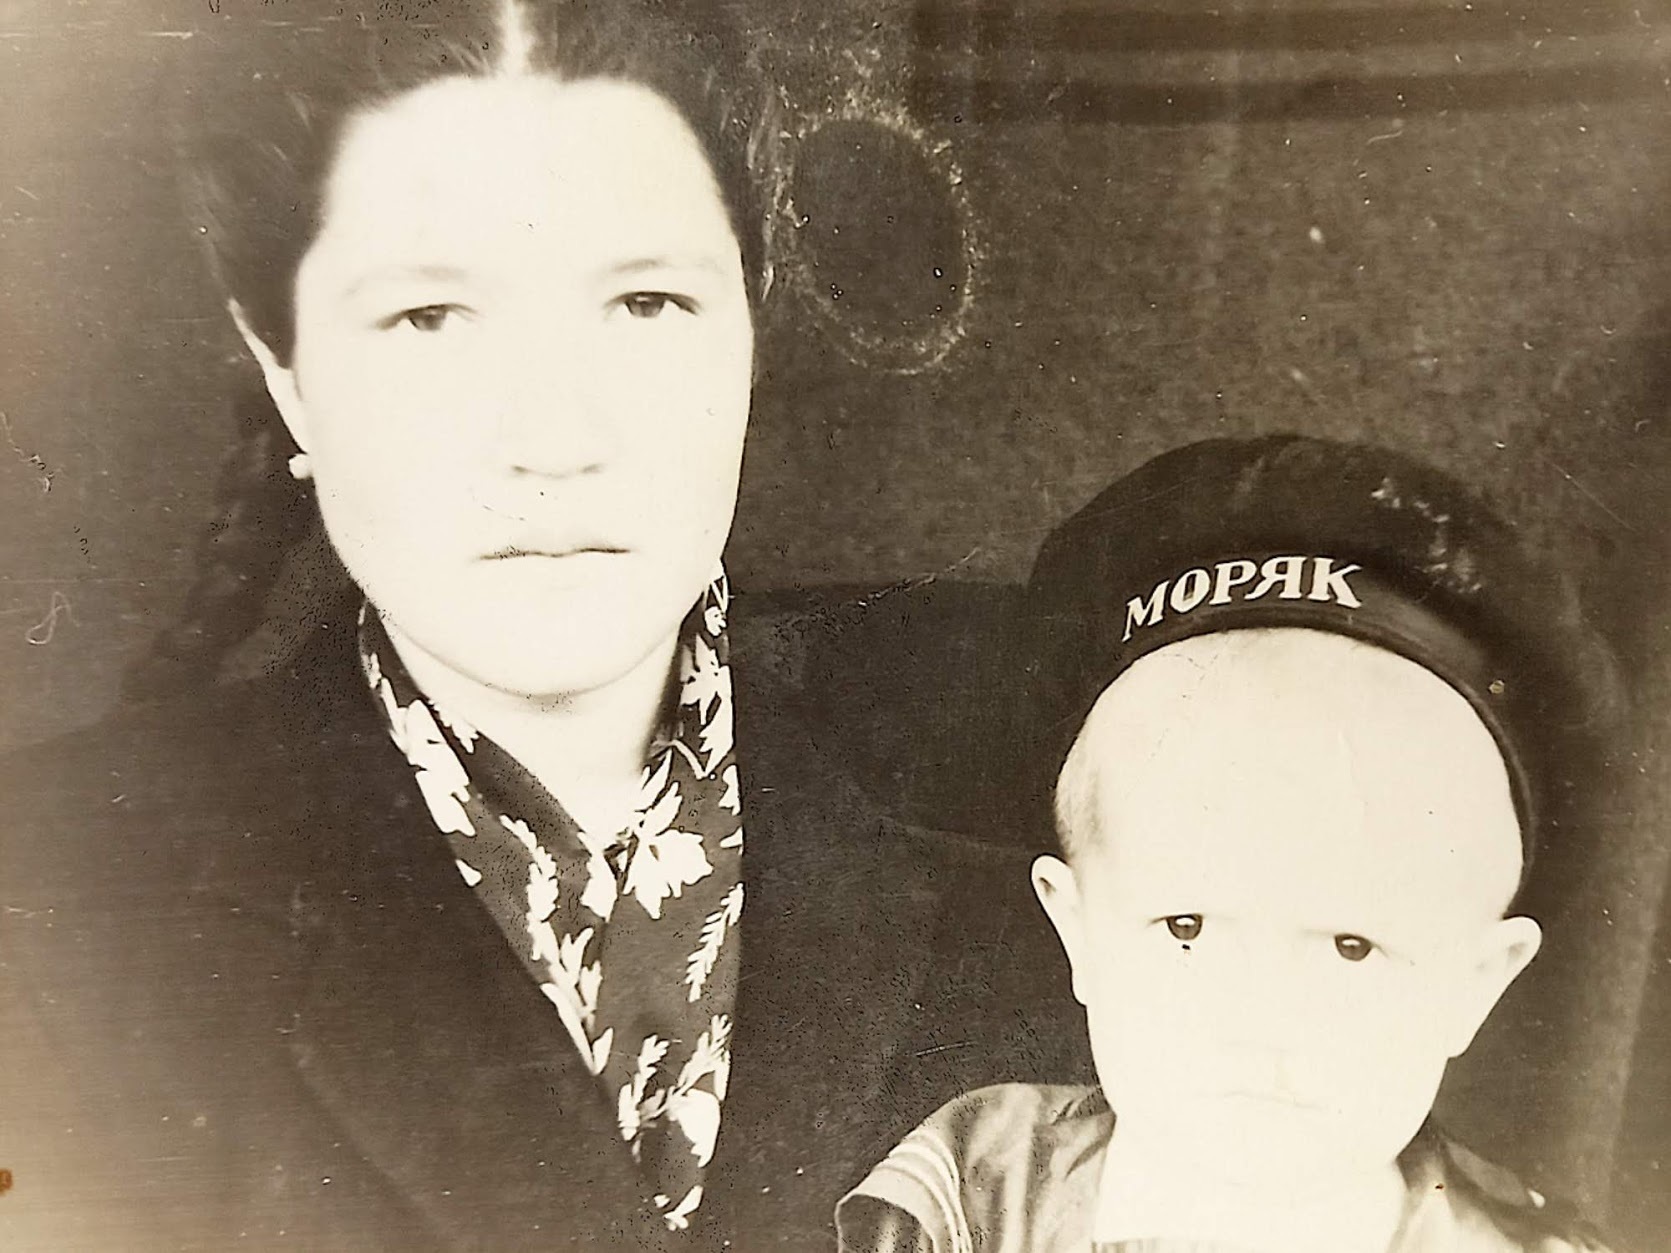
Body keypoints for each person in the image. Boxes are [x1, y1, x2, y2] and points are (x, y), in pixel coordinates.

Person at [0, 3, 1085, 1248]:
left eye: (645, 304)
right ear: (285, 365)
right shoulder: (43, 911)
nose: (553, 440)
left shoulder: (1074, 902)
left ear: (753, 323)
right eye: (429, 319)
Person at [836, 435, 1625, 1253]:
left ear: (1476, 983)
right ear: (1076, 929)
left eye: (1350, 946)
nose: (1258, 1020)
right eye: (1187, 927)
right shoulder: (971, 1188)